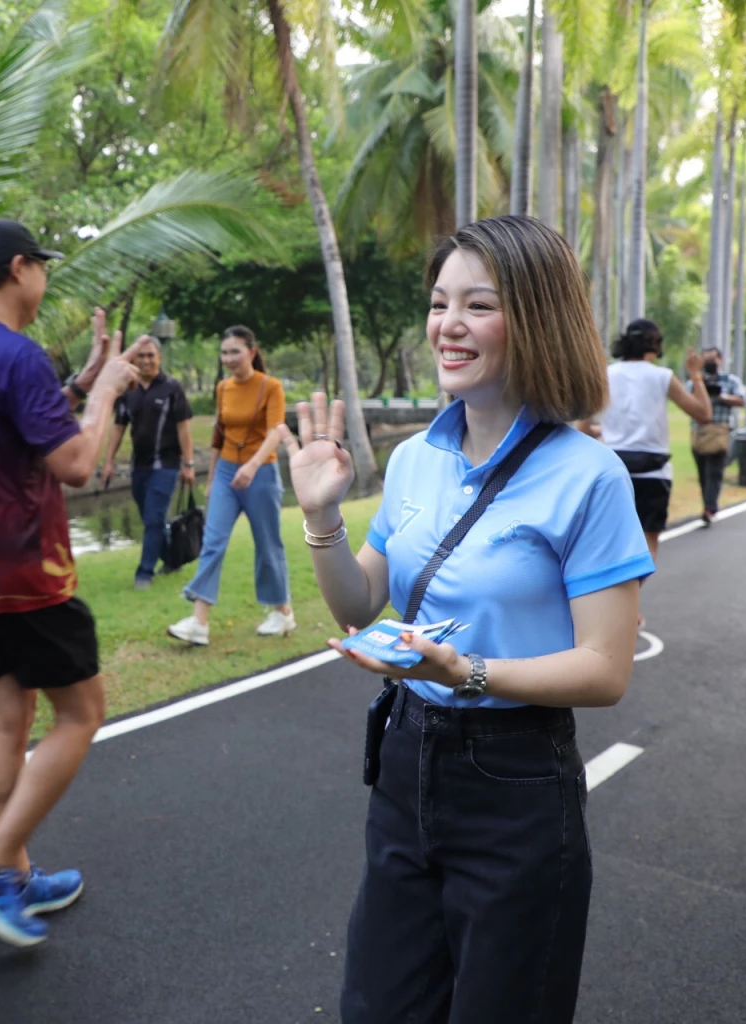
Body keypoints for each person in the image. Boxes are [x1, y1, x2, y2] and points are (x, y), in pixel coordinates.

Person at [281, 215, 652, 1023]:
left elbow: (606, 669)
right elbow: (358, 602)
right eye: (440, 301)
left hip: (516, 781)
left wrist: (468, 672)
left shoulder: (588, 477)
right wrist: (320, 515)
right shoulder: (417, 458)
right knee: (378, 1007)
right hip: (407, 758)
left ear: (537, 319)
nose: (448, 325)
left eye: (478, 305)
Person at [0, 218, 143, 947]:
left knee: (4, 723)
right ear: (20, 269)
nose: (45, 280)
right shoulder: (15, 355)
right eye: (41, 266)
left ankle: (13, 879)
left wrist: (80, 378)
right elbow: (76, 465)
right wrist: (108, 390)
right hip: (26, 573)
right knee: (81, 714)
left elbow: (10, 423)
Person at [166, 326, 294, 645]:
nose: (228, 358)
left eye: (235, 351)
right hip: (225, 471)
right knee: (213, 541)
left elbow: (276, 432)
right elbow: (218, 435)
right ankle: (199, 622)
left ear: (252, 352)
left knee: (267, 544)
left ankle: (283, 612)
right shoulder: (223, 388)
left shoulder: (270, 386)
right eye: (224, 353)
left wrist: (252, 466)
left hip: (261, 472)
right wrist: (210, 480)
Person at [597, 319, 712, 564]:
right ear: (655, 345)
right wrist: (695, 375)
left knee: (609, 545)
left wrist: (608, 429)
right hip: (653, 473)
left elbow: (584, 427)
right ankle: (632, 595)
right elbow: (703, 414)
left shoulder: (606, 375)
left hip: (613, 470)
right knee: (647, 547)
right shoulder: (662, 377)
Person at [100, 337, 196, 589]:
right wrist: (108, 461)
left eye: (151, 355)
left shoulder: (172, 388)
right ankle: (173, 559)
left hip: (166, 464)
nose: (146, 360)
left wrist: (189, 464)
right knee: (150, 519)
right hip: (139, 466)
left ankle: (144, 573)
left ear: (159, 358)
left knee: (154, 518)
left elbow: (183, 428)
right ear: (134, 359)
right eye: (141, 356)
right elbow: (119, 428)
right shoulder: (127, 391)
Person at [685, 345, 746, 525]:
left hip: (719, 431)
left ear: (720, 360)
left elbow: (741, 400)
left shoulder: (730, 381)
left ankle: (710, 508)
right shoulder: (694, 382)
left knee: (715, 472)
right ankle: (708, 504)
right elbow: (687, 401)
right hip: (700, 432)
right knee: (703, 472)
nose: (710, 363)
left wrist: (722, 397)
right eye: (706, 360)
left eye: (713, 359)